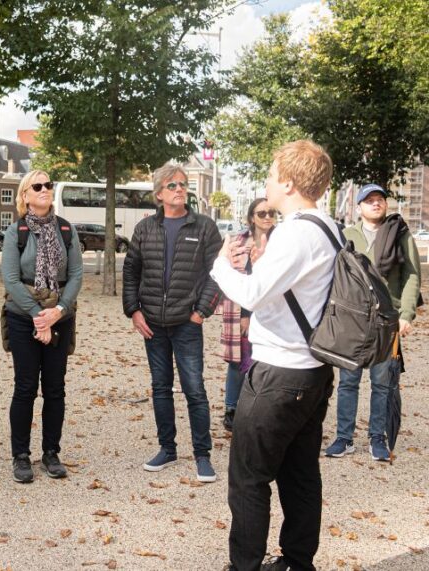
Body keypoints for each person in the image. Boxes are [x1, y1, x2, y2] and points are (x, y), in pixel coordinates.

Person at [211, 140, 338, 571]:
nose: (266, 180)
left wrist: (220, 265)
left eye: (269, 172)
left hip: (280, 373)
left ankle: (243, 566)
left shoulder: (297, 230)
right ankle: (298, 562)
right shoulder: (328, 226)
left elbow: (252, 293)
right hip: (313, 370)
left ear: (287, 181)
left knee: (248, 477)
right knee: (300, 474)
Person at [122, 164, 222, 482]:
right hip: (153, 323)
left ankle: (202, 455)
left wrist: (201, 312)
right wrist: (133, 311)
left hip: (187, 323)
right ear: (159, 194)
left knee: (194, 389)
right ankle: (167, 448)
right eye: (172, 185)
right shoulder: (145, 229)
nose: (179, 189)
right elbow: (131, 271)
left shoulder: (204, 227)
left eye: (183, 184)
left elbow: (216, 274)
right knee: (160, 388)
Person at [324, 183, 421, 461]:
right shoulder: (346, 235)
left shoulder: (400, 234)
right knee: (348, 381)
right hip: (353, 320)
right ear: (359, 207)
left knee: (381, 382)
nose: (376, 204)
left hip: (387, 319)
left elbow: (412, 275)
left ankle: (377, 436)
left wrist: (406, 314)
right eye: (369, 200)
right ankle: (344, 437)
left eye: (380, 199)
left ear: (385, 204)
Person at [0, 170, 83, 483]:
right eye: (38, 185)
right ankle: (20, 456)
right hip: (23, 317)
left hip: (60, 317)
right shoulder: (15, 232)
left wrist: (57, 312)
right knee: (25, 387)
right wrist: (38, 314)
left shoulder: (66, 229)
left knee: (55, 388)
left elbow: (76, 275)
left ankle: (51, 452)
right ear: (25, 195)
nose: (45, 189)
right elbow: (10, 279)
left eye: (49, 184)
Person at [220, 198, 276, 431]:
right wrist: (245, 315)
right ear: (252, 217)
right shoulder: (237, 242)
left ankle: (261, 409)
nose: (266, 217)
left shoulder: (284, 242)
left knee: (268, 363)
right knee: (239, 361)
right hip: (241, 310)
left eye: (271, 212)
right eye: (261, 213)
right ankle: (232, 408)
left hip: (272, 311)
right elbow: (235, 279)